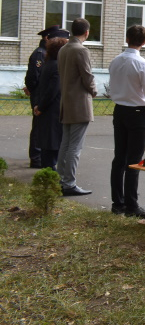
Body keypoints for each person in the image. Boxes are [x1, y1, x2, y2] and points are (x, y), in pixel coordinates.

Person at [108, 25, 145, 218]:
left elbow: (113, 86)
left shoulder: (115, 61)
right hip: (138, 113)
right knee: (134, 161)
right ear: (144, 42)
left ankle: (117, 203)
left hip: (120, 110)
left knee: (119, 158)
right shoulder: (143, 64)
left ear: (127, 38)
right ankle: (131, 206)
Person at [56, 18, 97, 196]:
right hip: (79, 103)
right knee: (75, 146)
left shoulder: (63, 49)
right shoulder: (81, 50)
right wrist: (94, 90)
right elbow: (87, 76)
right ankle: (69, 183)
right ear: (86, 32)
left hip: (66, 102)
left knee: (65, 144)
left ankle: (61, 179)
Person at [32, 31, 70, 169]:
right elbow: (52, 91)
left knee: (48, 148)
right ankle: (52, 178)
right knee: (52, 148)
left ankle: (48, 175)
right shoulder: (56, 66)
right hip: (52, 112)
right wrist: (41, 107)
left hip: (48, 111)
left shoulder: (49, 63)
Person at [25, 25, 60, 168]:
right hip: (39, 95)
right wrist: (33, 90)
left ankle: (39, 155)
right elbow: (34, 76)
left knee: (41, 125)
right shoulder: (40, 53)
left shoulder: (46, 53)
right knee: (39, 126)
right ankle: (36, 157)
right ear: (47, 38)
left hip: (41, 94)